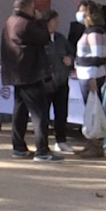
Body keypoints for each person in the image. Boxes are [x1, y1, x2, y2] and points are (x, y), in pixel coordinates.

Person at [1, 0, 64, 163]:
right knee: (40, 113)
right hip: (29, 73)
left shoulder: (10, 21)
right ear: (27, 7)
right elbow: (44, 37)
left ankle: (19, 147)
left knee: (20, 111)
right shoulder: (26, 24)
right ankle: (42, 150)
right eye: (33, 7)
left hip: (17, 73)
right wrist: (41, 20)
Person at [74, 0, 106, 158]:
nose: (79, 14)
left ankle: (96, 145)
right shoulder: (91, 31)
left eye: (82, 11)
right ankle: (91, 143)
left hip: (90, 75)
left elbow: (98, 56)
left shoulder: (95, 32)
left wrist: (93, 78)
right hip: (86, 74)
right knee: (90, 110)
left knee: (94, 110)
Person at [44, 10, 74, 154]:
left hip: (62, 82)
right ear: (48, 21)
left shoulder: (61, 38)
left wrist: (70, 59)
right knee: (43, 114)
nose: (57, 23)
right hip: (46, 82)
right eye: (55, 20)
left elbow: (72, 53)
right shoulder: (41, 38)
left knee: (61, 113)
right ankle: (42, 142)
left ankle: (61, 141)